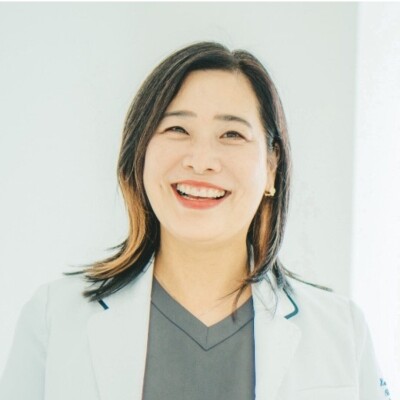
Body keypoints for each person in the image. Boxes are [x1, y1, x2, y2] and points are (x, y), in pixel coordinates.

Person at [0, 41, 391, 400]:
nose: (201, 160)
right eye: (177, 129)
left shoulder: (342, 332)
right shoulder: (54, 319)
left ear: (271, 167)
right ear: (140, 153)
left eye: (231, 134)